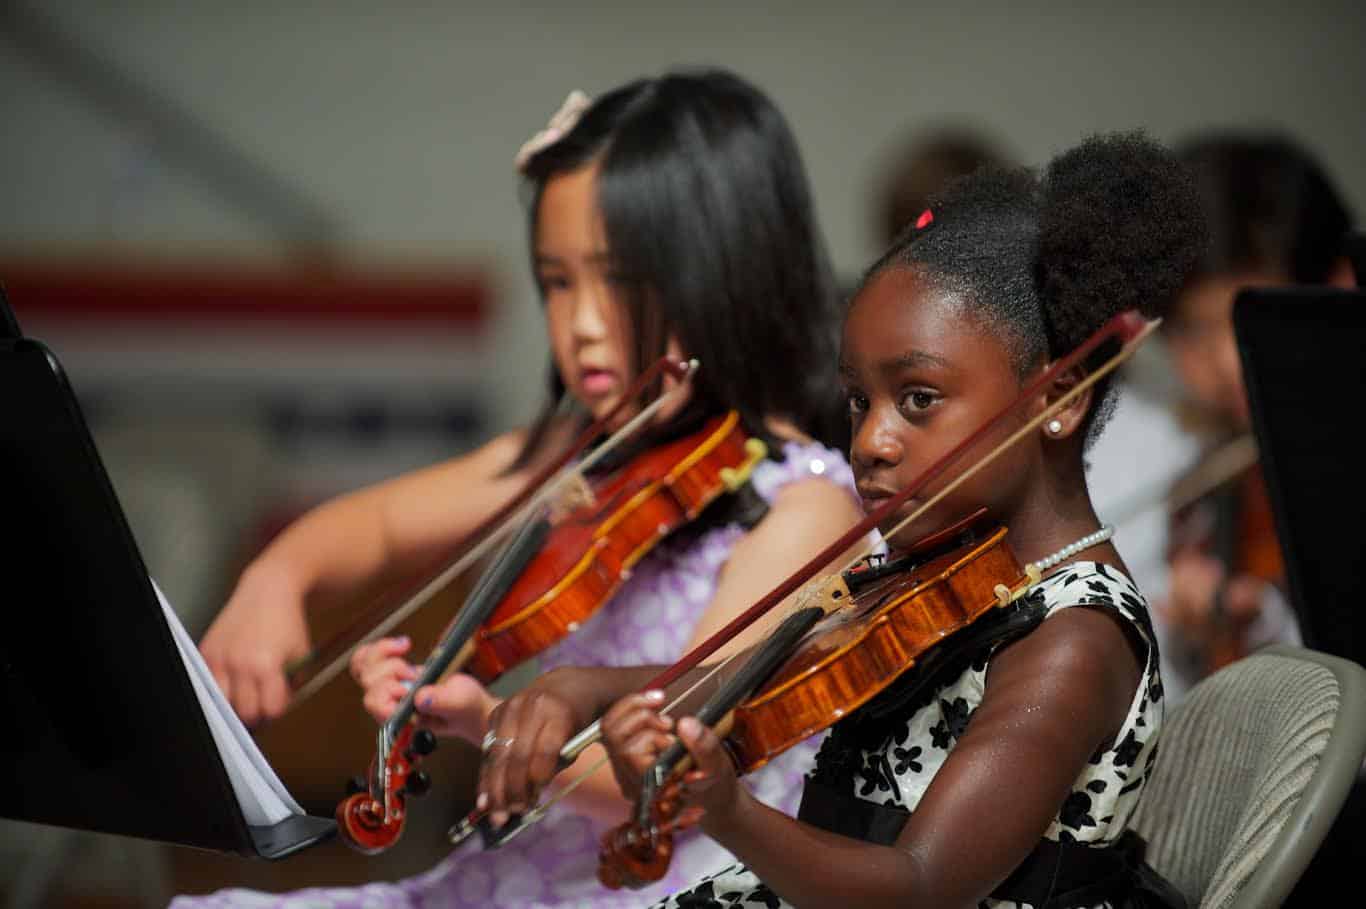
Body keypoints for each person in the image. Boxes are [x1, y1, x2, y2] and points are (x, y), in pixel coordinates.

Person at [182, 69, 865, 907]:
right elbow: (380, 526)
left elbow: (662, 763)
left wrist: (490, 722)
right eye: (556, 281)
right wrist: (274, 579)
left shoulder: (804, 507)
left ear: (734, 273)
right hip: (525, 876)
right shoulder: (580, 454)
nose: (580, 323)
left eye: (617, 280)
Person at [478, 132, 1205, 908]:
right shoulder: (944, 579)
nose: (870, 441)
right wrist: (580, 689)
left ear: (1059, 403)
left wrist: (730, 811)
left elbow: (919, 885)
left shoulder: (1072, 638)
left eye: (917, 398)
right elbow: (747, 680)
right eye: (860, 401)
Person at [1087, 131, 1355, 704]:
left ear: (1339, 285)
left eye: (1249, 315)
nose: (1229, 362)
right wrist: (1206, 632)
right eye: (1192, 331)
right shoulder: (1204, 483)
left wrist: (1269, 625)